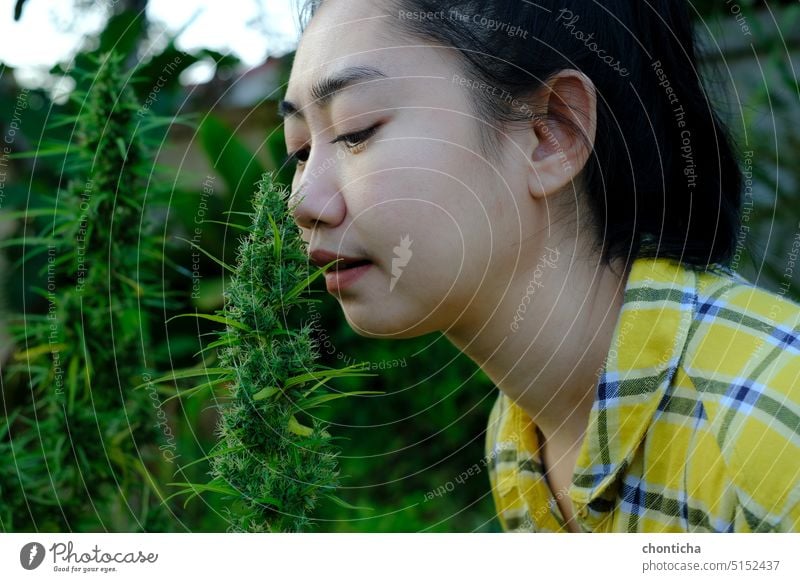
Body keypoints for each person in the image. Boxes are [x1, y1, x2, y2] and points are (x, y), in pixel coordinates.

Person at [279, 0, 800, 532]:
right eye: (299, 150)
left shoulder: (777, 424)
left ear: (551, 132)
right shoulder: (517, 433)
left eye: (354, 130)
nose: (302, 202)